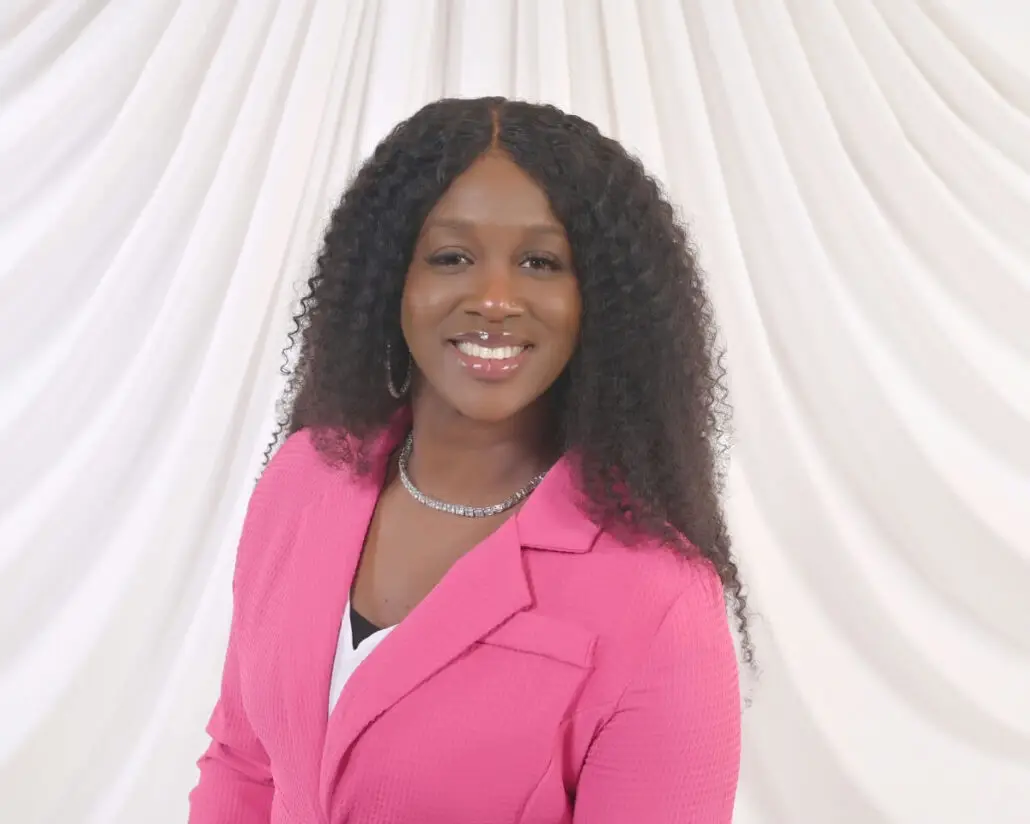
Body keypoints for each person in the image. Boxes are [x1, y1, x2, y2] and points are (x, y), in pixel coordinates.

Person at [188, 97, 749, 824]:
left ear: (598, 302)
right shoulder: (303, 480)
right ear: (393, 278)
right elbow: (244, 766)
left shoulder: (659, 599)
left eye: (540, 262)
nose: (493, 299)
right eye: (451, 257)